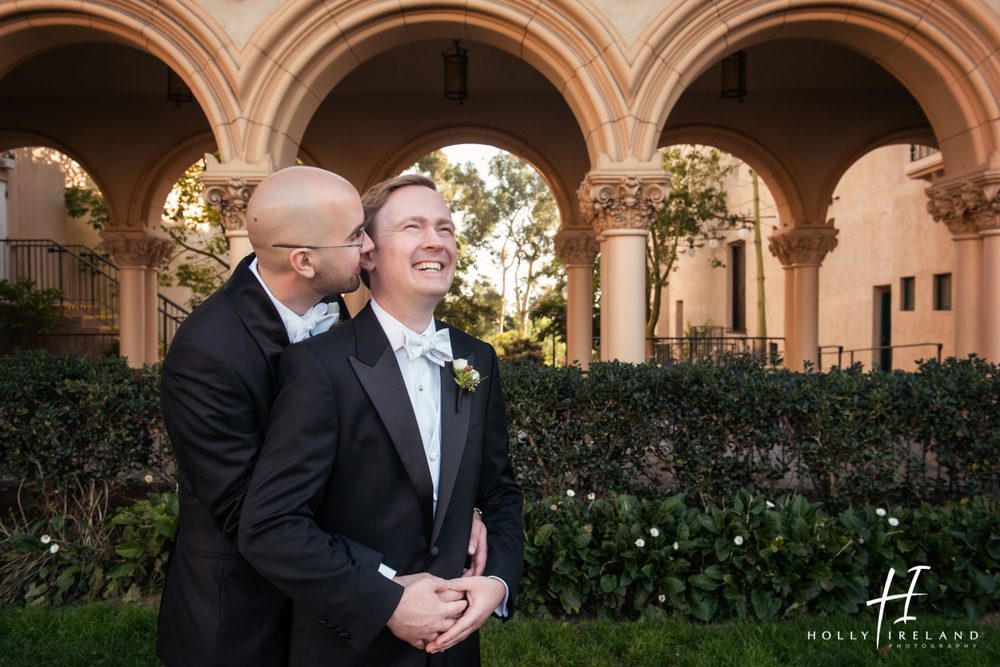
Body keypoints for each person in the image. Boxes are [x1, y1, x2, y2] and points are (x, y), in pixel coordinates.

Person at [157, 167, 487, 666]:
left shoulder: (331, 297)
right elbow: (255, 516)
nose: (369, 248)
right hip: (246, 612)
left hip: (331, 614)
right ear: (303, 260)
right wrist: (383, 588)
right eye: (356, 237)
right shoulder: (207, 353)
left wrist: (459, 512)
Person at [239, 173, 525, 666]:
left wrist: (497, 582)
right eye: (412, 227)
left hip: (454, 650)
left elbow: (498, 492)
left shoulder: (477, 359)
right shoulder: (318, 366)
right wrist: (385, 598)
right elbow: (272, 525)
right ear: (366, 253)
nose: (435, 240)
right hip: (352, 648)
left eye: (445, 228)